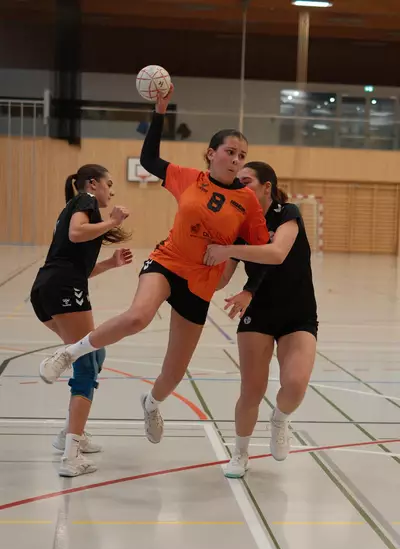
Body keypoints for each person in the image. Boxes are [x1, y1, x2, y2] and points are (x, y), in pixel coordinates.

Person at [38, 84, 270, 447]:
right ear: (212, 153)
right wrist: (160, 112)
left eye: (242, 155)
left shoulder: (248, 202)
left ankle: (151, 403)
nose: (236, 160)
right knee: (137, 317)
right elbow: (148, 160)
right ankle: (68, 353)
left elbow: (262, 251)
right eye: (230, 152)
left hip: (201, 282)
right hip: (167, 261)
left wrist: (245, 282)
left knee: (174, 371)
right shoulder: (188, 178)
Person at [205, 162, 318, 478]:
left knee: (295, 384)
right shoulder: (237, 225)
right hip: (258, 313)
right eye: (237, 182)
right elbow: (221, 279)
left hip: (298, 312)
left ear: (267, 187)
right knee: (251, 390)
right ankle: (240, 453)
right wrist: (193, 268)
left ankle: (279, 419)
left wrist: (229, 250)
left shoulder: (288, 214)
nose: (240, 187)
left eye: (247, 181)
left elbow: (277, 253)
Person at [31, 164, 132, 477]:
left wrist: (110, 263)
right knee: (87, 365)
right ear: (92, 183)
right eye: (108, 183)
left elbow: (77, 265)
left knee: (95, 354)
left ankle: (69, 434)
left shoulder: (79, 209)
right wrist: (113, 221)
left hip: (47, 288)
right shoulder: (85, 201)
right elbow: (76, 234)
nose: (111, 190)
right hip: (63, 288)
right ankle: (70, 455)